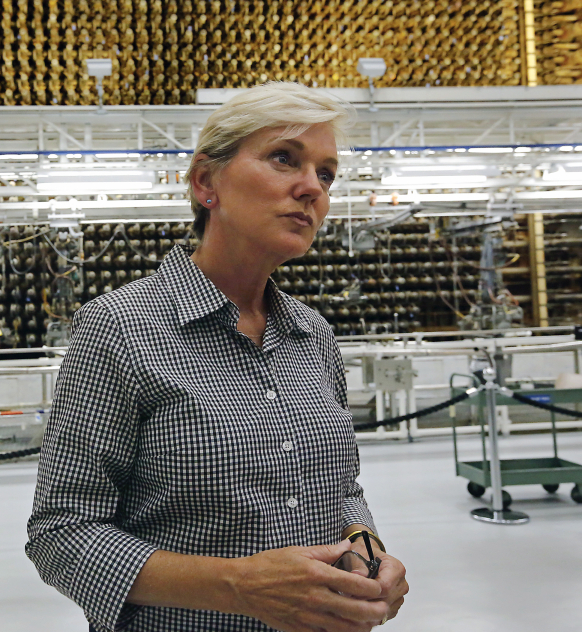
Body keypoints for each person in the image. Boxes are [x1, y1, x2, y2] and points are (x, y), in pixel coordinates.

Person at [26, 81, 409, 632]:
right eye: (284, 158)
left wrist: (367, 550)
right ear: (207, 181)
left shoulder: (313, 335)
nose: (312, 189)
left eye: (326, 174)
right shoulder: (120, 328)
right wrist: (239, 586)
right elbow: (63, 532)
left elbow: (342, 490)